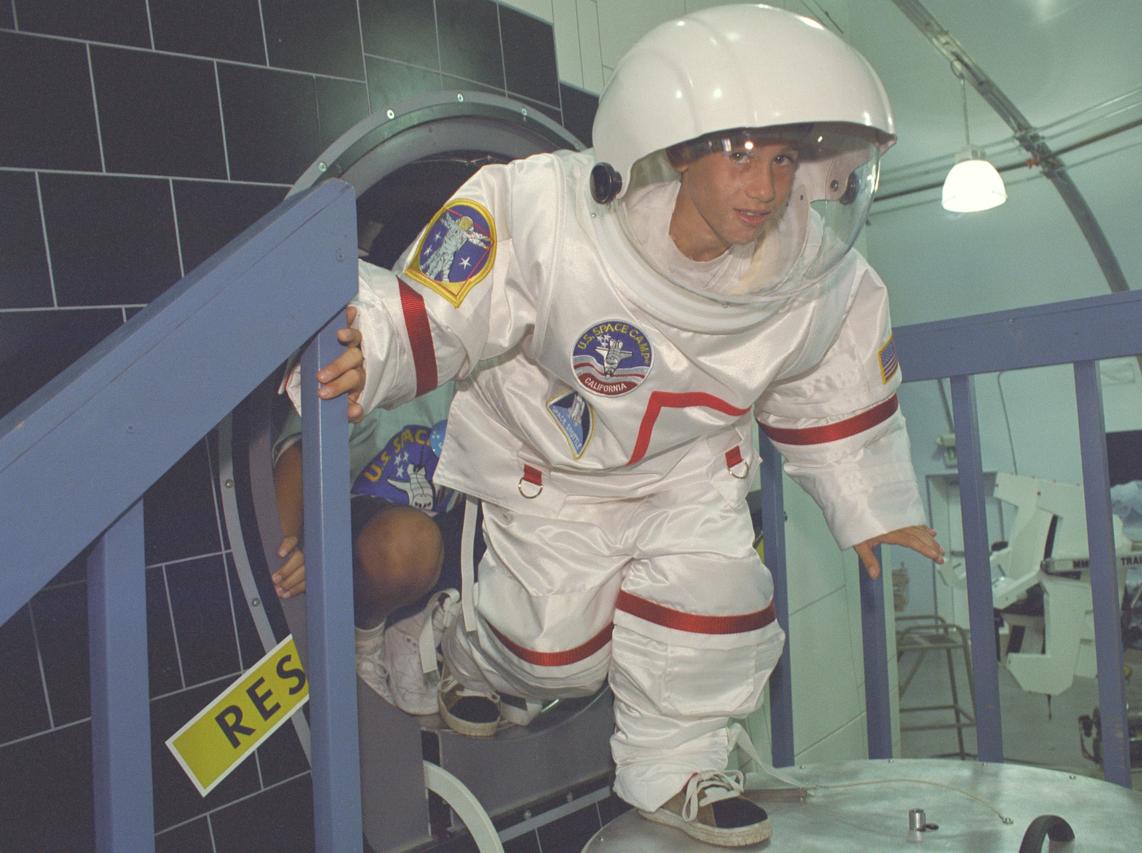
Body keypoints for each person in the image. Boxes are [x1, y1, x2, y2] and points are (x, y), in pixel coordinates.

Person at [305, 5, 944, 847]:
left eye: (784, 159)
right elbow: (451, 293)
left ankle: (680, 771)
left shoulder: (812, 275)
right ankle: (440, 654)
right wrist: (377, 341)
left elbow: (836, 376)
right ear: (674, 144)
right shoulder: (554, 217)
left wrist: (869, 500)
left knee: (717, 613)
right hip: (554, 468)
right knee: (551, 651)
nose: (765, 187)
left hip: (690, 474)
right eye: (741, 154)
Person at [272, 392, 463, 715]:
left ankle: (417, 627)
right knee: (407, 543)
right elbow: (297, 458)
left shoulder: (481, 356)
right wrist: (283, 550)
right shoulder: (355, 357)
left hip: (448, 532)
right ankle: (366, 637)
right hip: (361, 538)